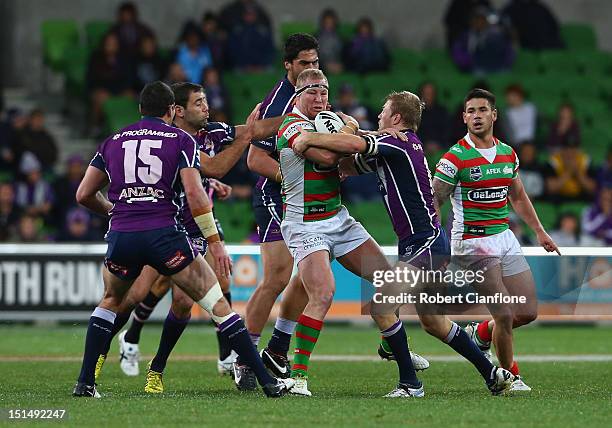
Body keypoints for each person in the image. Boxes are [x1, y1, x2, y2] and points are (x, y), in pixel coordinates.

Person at [72, 81, 293, 398]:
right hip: (165, 233)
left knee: (111, 301)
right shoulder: (181, 140)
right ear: (171, 111)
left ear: (140, 109)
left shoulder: (113, 141)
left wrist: (112, 212)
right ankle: (267, 382)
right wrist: (216, 242)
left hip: (123, 234)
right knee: (218, 304)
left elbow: (83, 194)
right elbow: (194, 192)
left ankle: (85, 383)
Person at [293, 89, 515, 396]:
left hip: (425, 243)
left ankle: (411, 384)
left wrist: (308, 138)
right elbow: (347, 165)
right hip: (429, 242)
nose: (380, 115)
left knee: (381, 306)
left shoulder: (397, 141)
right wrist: (340, 137)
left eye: (384, 111)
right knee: (434, 323)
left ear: (396, 117)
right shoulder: (396, 148)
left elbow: (354, 144)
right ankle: (492, 373)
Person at [274, 69, 432, 397]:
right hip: (305, 224)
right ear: (297, 95)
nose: (320, 100)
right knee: (323, 293)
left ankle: (393, 346)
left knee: (388, 284)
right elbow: (330, 156)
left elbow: (350, 154)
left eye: (324, 93)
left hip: (337, 218)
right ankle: (298, 377)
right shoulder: (290, 125)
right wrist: (351, 129)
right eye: (312, 93)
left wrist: (369, 134)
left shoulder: (329, 121)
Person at [433, 88, 560, 392]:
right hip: (472, 243)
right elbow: (434, 201)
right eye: (470, 111)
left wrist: (540, 231)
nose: (476, 116)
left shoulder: (507, 154)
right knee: (504, 312)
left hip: (504, 237)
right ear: (464, 117)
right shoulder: (454, 158)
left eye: (482, 110)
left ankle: (482, 332)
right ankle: (508, 376)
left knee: (526, 312)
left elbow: (517, 195)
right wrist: (436, 244)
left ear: (494, 114)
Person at [242, 33, 320, 388]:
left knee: (312, 271)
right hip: (277, 196)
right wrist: (289, 178)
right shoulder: (278, 106)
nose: (312, 69)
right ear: (288, 66)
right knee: (276, 277)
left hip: (310, 198)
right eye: (304, 63)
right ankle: (245, 359)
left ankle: (277, 347)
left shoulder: (317, 96)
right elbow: (254, 157)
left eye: (315, 62)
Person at [316, 8, 344, 74]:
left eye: (331, 23)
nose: (329, 25)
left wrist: (340, 64)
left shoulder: (339, 37)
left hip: (336, 64)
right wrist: (325, 65)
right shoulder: (317, 37)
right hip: (321, 66)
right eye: (327, 23)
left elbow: (341, 54)